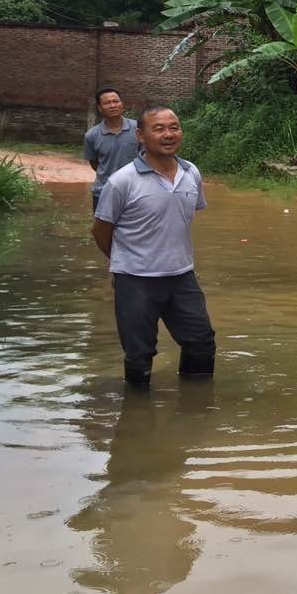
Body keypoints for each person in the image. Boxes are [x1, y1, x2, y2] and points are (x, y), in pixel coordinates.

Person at [91, 105, 216, 388]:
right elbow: (100, 230)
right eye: (158, 129)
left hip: (182, 277)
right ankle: (136, 418)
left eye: (174, 127)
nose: (168, 134)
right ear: (140, 135)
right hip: (135, 280)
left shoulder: (191, 172)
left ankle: (196, 411)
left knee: (201, 344)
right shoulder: (122, 181)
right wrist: (125, 261)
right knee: (139, 355)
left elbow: (180, 220)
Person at [83, 87, 140, 214]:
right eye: (107, 103)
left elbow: (146, 156)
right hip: (103, 192)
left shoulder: (138, 130)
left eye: (116, 101)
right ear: (99, 108)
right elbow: (95, 163)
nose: (113, 105)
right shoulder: (92, 136)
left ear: (122, 104)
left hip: (135, 192)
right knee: (103, 232)